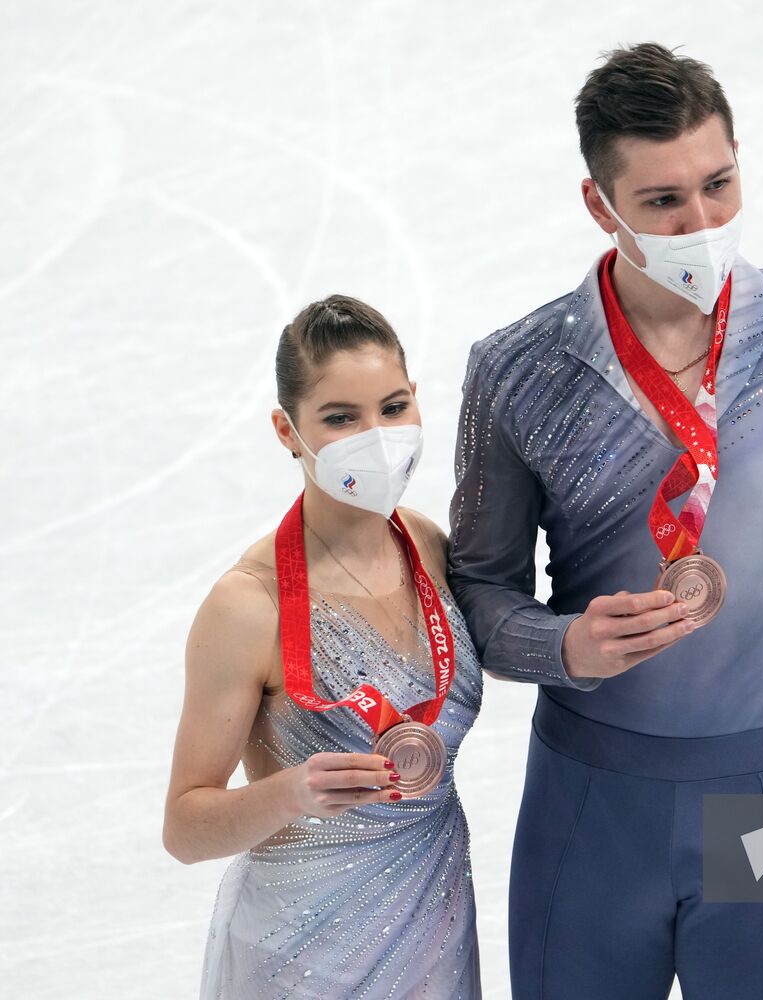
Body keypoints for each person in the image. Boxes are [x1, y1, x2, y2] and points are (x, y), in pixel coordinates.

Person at [449, 43, 763, 999]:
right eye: (662, 203)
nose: (702, 222)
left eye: (719, 184)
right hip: (592, 798)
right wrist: (563, 646)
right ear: (598, 206)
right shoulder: (514, 371)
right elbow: (476, 592)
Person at [163, 295, 483, 998]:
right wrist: (289, 792)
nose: (376, 435)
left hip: (434, 921)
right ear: (287, 429)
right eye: (341, 418)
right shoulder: (247, 606)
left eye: (393, 408)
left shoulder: (427, 546)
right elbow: (185, 829)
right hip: (302, 952)